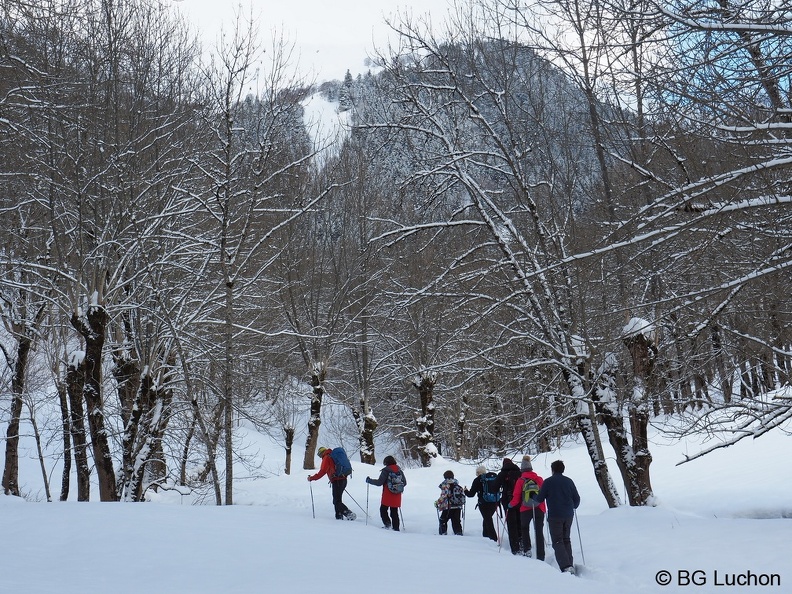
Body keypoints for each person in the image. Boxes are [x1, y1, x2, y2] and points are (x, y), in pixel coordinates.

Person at [532, 459, 580, 574]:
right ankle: (569, 563)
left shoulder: (548, 482)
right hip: (568, 514)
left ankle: (566, 566)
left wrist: (533, 496)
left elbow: (539, 499)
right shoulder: (569, 481)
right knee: (566, 539)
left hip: (555, 515)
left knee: (558, 541)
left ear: (552, 470)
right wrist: (573, 506)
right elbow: (577, 499)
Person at [509, 455, 546, 560]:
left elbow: (516, 497)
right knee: (539, 530)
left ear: (522, 469)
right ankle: (541, 555)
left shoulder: (520, 480)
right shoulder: (539, 479)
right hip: (539, 508)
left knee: (525, 528)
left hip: (525, 509)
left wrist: (511, 504)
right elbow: (543, 494)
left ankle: (527, 550)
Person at [307, 446, 356, 520]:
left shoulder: (326, 457)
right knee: (337, 500)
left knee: (336, 501)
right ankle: (339, 516)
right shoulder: (332, 455)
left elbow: (322, 471)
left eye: (320, 455)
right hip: (343, 479)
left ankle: (348, 514)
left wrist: (312, 478)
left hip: (337, 480)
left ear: (321, 453)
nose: (320, 457)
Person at [365, 455, 406, 531]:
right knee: (394, 512)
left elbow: (379, 482)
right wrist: (397, 487)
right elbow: (405, 483)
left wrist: (369, 481)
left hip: (388, 494)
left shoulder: (386, 471)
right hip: (397, 495)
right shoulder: (399, 471)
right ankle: (396, 528)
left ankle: (388, 525)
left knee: (383, 510)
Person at [494, 457, 522, 554]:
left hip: (508, 501)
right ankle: (522, 542)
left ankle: (515, 548)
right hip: (520, 501)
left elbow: (495, 487)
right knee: (520, 522)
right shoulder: (520, 473)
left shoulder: (502, 474)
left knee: (511, 524)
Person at [464, 465, 498, 541]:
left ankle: (493, 538)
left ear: (477, 472)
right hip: (493, 502)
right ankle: (486, 537)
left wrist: (465, 491)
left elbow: (471, 494)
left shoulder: (477, 480)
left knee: (488, 520)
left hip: (483, 503)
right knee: (487, 519)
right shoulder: (492, 479)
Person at [435, 470, 464, 535]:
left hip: (448, 506)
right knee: (456, 521)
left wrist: (437, 502)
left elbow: (444, 495)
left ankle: (443, 534)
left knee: (443, 520)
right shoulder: (457, 484)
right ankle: (459, 533)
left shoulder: (445, 485)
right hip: (458, 506)